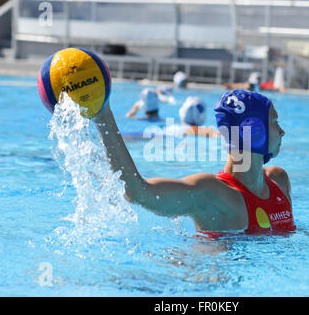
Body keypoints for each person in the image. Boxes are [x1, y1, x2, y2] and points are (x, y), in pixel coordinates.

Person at [91, 89, 295, 234]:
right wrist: (102, 113)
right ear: (255, 132)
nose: (281, 131)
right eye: (275, 123)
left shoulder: (279, 180)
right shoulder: (211, 194)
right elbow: (137, 192)